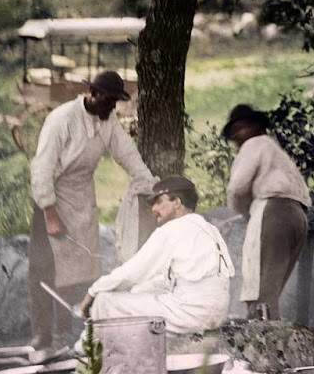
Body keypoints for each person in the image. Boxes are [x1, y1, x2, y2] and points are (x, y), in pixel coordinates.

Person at [28, 69, 155, 357]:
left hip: (82, 197)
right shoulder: (61, 119)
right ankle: (42, 335)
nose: (112, 107)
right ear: (93, 93)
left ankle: (71, 332)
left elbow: (128, 155)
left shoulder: (108, 122)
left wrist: (151, 185)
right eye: (109, 100)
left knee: (82, 265)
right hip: (52, 196)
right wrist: (49, 213)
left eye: (116, 102)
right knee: (44, 267)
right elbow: (42, 167)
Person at [84, 177, 234, 336]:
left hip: (190, 314)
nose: (154, 209)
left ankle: (84, 353)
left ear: (176, 202)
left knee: (104, 301)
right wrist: (136, 291)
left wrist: (92, 292)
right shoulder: (209, 229)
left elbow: (131, 272)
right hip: (215, 313)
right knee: (140, 291)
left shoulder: (173, 229)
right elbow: (172, 279)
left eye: (158, 202)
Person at [222, 105, 311, 321]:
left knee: (261, 293)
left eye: (240, 128)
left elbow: (237, 187)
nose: (236, 136)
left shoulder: (255, 144)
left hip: (275, 211)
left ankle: (266, 344)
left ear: (256, 126)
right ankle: (272, 339)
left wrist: (241, 212)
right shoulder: (275, 151)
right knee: (271, 289)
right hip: (298, 215)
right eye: (234, 131)